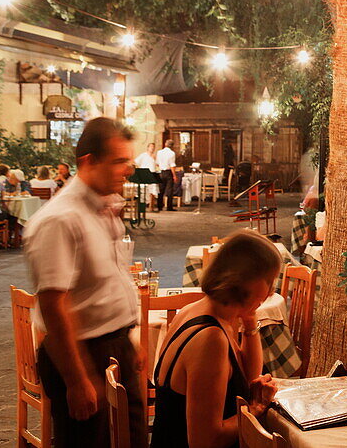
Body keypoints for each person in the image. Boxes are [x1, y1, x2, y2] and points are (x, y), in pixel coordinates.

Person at [23, 117, 146, 448]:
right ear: (88, 162)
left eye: (128, 160)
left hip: (112, 349)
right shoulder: (60, 219)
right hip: (83, 355)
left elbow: (105, 283)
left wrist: (127, 342)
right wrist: (77, 379)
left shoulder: (103, 207)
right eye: (119, 161)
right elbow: (53, 302)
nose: (128, 169)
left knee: (132, 440)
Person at [152, 231, 281, 447]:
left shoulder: (199, 311)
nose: (271, 291)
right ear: (248, 282)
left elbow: (248, 377)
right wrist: (256, 408)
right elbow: (205, 441)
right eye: (269, 280)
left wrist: (249, 321)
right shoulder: (210, 339)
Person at [156, 138, 178, 211]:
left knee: (161, 190)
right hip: (168, 172)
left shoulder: (159, 152)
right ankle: (169, 207)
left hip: (161, 172)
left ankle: (159, 206)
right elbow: (172, 165)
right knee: (169, 190)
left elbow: (157, 163)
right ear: (172, 146)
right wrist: (174, 175)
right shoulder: (172, 153)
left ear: (165, 144)